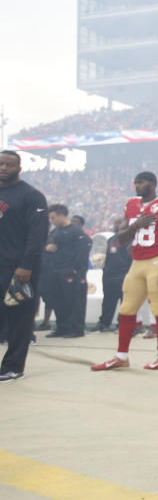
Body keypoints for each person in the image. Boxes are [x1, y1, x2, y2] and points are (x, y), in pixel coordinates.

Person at [91, 172, 158, 371]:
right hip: (136, 263)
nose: (137, 186)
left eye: (141, 182)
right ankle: (121, 356)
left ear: (153, 184)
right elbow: (121, 238)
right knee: (126, 310)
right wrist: (135, 225)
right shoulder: (132, 205)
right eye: (135, 182)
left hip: (157, 260)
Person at [0, 150, 48, 381]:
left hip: (19, 267)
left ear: (19, 168)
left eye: (9, 165)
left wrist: (26, 264)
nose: (3, 168)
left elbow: (38, 234)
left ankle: (13, 367)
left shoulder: (32, 196)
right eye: (0, 164)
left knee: (19, 318)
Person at [44, 205, 89, 338]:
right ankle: (61, 327)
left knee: (74, 301)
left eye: (53, 217)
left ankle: (76, 329)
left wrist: (76, 268)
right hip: (55, 271)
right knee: (58, 301)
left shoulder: (76, 231)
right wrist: (47, 248)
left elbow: (85, 246)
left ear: (61, 215)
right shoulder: (54, 232)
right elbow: (46, 246)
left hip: (70, 271)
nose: (51, 220)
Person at [95, 217, 132, 333]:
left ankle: (121, 324)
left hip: (124, 273)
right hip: (109, 274)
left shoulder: (132, 239)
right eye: (116, 222)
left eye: (120, 222)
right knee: (108, 301)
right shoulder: (111, 239)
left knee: (124, 301)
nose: (117, 224)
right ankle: (104, 323)